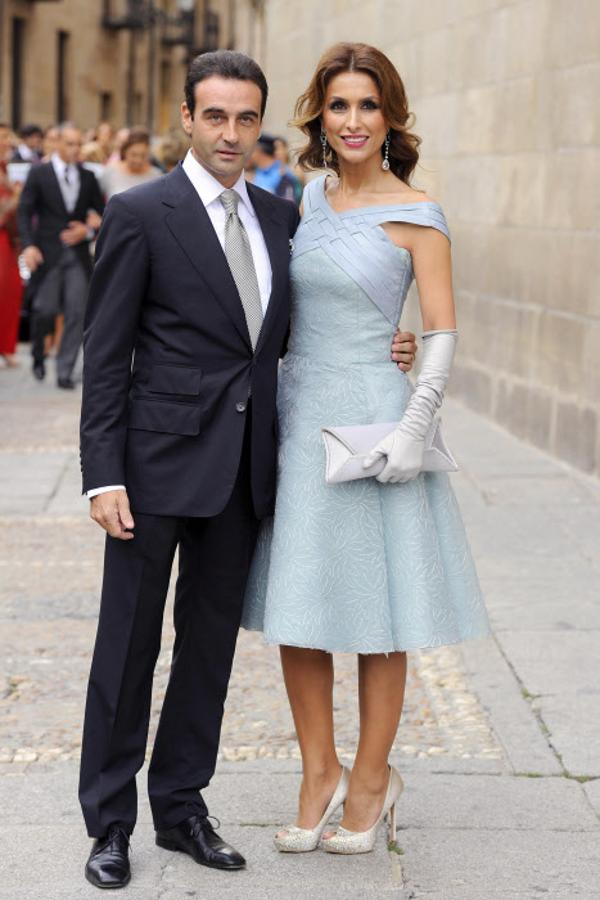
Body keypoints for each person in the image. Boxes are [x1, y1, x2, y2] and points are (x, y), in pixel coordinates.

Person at [78, 47, 419, 889]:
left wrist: (393, 342)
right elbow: (105, 353)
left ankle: (183, 807)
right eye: (215, 116)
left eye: (245, 118)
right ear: (186, 119)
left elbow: (302, 331)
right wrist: (102, 473)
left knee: (208, 654)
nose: (230, 133)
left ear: (258, 123)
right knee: (127, 647)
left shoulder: (280, 219)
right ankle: (110, 823)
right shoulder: (141, 212)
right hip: (152, 471)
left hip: (245, 474)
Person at [242, 42, 490, 855]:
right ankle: (321, 771)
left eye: (368, 106)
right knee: (300, 607)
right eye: (339, 105)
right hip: (299, 412)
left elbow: (444, 333)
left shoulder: (419, 213)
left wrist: (415, 425)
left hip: (378, 422)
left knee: (382, 616)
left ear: (391, 118)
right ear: (320, 114)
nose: (352, 121)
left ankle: (377, 777)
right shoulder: (304, 202)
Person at [17, 122, 105, 387]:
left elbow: (101, 215)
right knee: (44, 309)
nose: (75, 149)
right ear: (57, 144)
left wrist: (87, 231)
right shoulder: (39, 173)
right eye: (70, 143)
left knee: (77, 312)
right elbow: (25, 212)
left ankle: (65, 371)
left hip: (77, 256)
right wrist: (29, 246)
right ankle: (38, 355)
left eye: (79, 144)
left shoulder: (88, 177)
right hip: (47, 254)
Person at [0, 122, 23, 367]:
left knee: (11, 291)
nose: (8, 142)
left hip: (8, 239)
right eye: (3, 137)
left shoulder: (6, 168)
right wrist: (16, 197)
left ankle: (6, 346)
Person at [100, 127, 162, 198]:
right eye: (133, 155)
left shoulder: (156, 175)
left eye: (143, 155)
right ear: (124, 152)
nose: (138, 160)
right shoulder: (111, 171)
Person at [250, 133, 300, 203]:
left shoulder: (284, 174)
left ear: (259, 151)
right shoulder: (258, 173)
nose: (248, 154)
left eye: (251, 150)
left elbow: (287, 204)